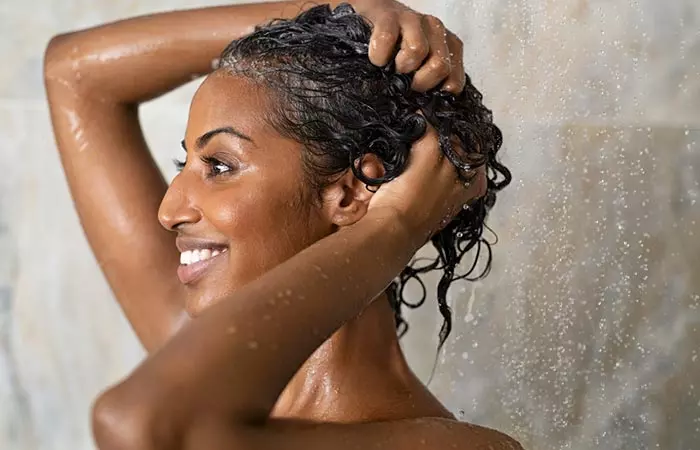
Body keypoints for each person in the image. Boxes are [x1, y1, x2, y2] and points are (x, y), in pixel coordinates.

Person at [44, 0, 520, 448]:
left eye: (219, 166)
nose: (168, 212)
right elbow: (75, 74)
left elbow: (143, 424)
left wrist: (394, 224)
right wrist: (338, 12)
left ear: (352, 193)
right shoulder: (198, 368)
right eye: (183, 162)